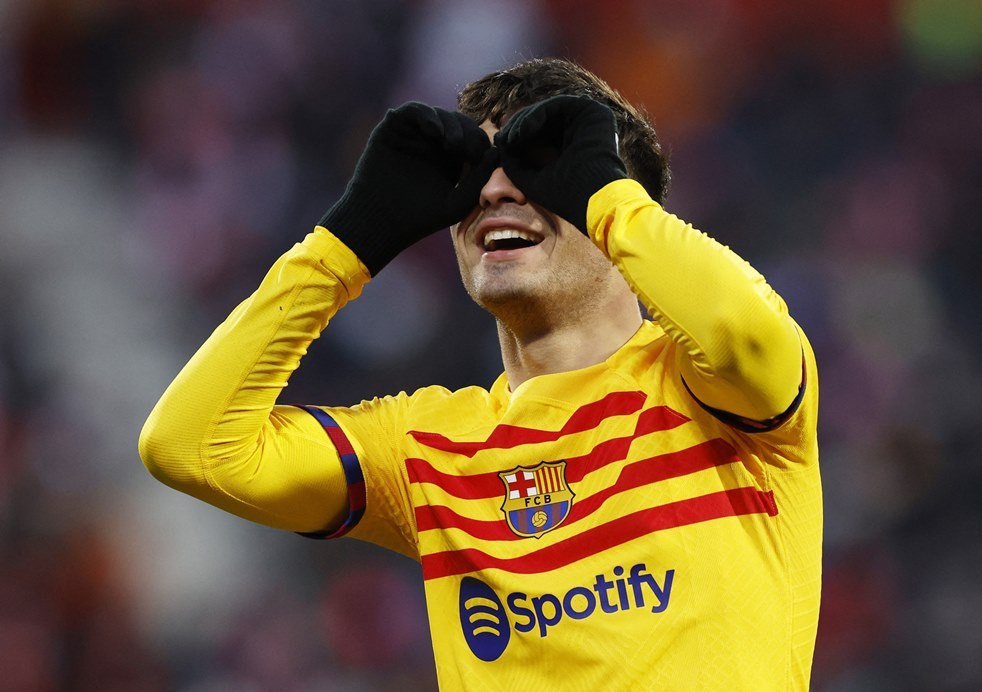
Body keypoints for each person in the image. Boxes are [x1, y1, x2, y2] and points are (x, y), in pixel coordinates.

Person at [139, 58, 821, 690]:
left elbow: (741, 330)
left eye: (541, 168)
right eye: (475, 175)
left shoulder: (718, 394)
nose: (493, 190)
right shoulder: (424, 448)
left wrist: (612, 203)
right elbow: (191, 448)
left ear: (611, 202)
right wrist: (348, 242)